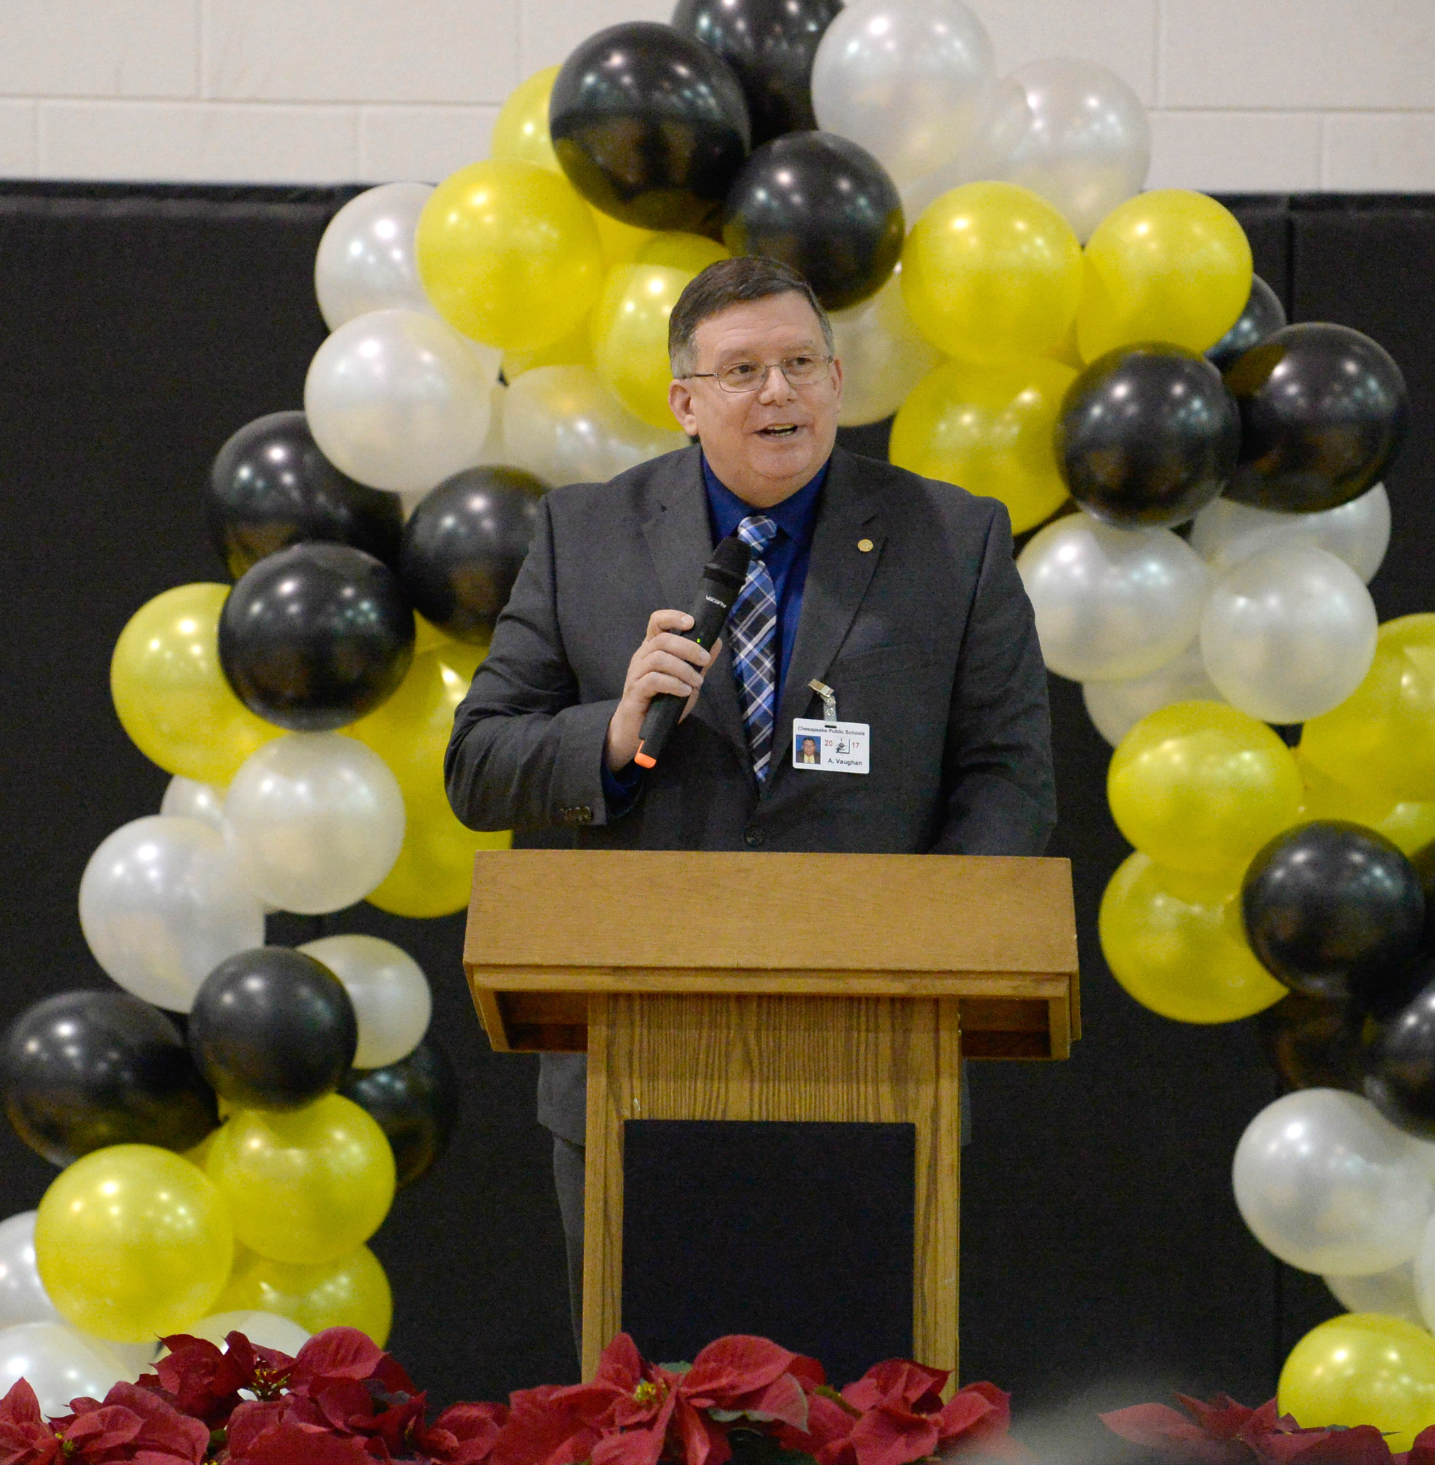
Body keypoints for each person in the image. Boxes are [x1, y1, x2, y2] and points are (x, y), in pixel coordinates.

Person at [444, 254, 1057, 1341]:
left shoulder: (953, 538)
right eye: (742, 372)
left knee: (866, 1399)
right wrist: (614, 733)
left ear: (836, 380)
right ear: (685, 401)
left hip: (879, 1065)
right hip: (633, 1063)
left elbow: (1007, 780)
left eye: (801, 365)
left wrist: (924, 954)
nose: (779, 392)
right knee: (644, 1399)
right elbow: (479, 763)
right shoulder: (584, 535)